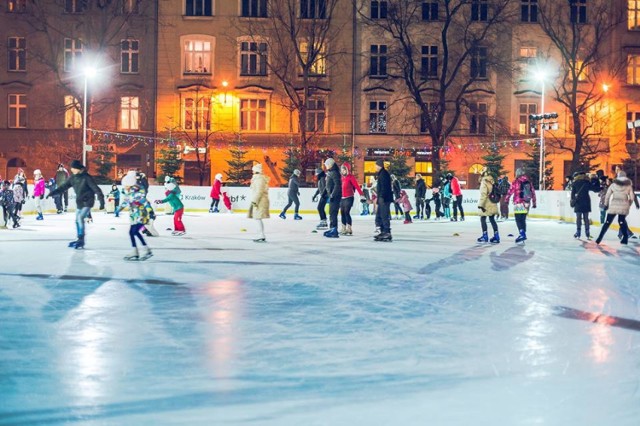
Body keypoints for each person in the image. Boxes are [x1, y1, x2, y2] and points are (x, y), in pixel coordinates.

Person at [47, 160, 105, 249]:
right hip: (80, 202)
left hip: (88, 201)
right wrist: (53, 193)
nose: (72, 169)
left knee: (80, 218)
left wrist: (101, 201)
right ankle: (79, 238)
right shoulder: (73, 178)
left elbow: (96, 189)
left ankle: (81, 239)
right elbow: (63, 187)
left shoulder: (86, 177)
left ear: (78, 169)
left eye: (73, 168)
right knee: (77, 220)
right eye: (72, 168)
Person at [117, 171, 153, 261]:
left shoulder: (138, 192)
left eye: (125, 185)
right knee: (132, 232)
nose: (124, 187)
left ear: (130, 184)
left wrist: (151, 211)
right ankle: (136, 251)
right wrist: (119, 209)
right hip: (134, 215)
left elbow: (145, 202)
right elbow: (126, 202)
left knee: (134, 232)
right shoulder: (128, 193)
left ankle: (146, 250)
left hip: (141, 215)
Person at [596, 171, 635, 245]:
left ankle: (599, 237)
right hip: (624, 205)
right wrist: (628, 204)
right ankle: (625, 237)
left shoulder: (613, 185)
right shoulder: (628, 185)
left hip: (614, 205)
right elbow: (632, 197)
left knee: (607, 222)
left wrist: (606, 204)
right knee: (621, 221)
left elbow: (607, 195)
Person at [505, 168, 536, 243]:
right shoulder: (528, 182)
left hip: (519, 203)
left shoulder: (516, 182)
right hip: (527, 202)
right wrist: (534, 202)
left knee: (518, 219)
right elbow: (533, 192)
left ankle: (522, 234)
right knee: (523, 219)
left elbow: (510, 191)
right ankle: (523, 233)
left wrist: (506, 199)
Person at [570, 170, 598, 239]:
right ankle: (587, 232)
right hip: (586, 201)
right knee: (586, 218)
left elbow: (572, 194)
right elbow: (595, 189)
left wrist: (573, 200)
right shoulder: (587, 182)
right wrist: (596, 181)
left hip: (578, 202)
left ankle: (578, 231)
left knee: (578, 218)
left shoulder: (575, 183)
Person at [339, 162, 364, 235]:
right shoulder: (342, 178)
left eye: (344, 170)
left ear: (347, 170)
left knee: (346, 212)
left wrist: (361, 195)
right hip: (342, 198)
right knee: (342, 213)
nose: (343, 171)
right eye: (342, 170)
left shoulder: (351, 177)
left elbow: (356, 186)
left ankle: (349, 228)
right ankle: (343, 228)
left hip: (349, 197)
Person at [247, 163, 270, 242]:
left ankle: (261, 235)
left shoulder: (259, 179)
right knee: (257, 218)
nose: (252, 172)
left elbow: (259, 191)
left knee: (257, 218)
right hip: (259, 200)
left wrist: (255, 201)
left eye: (253, 170)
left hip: (260, 201)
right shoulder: (257, 178)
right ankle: (261, 234)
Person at [477, 169, 500, 243]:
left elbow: (484, 194)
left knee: (483, 218)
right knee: (492, 219)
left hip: (486, 203)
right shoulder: (492, 181)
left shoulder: (484, 182)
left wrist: (481, 205)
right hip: (493, 202)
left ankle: (485, 235)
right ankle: (496, 236)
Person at [374, 159, 393, 241]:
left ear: (379, 165)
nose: (375, 167)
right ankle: (383, 231)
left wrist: (382, 197)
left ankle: (387, 232)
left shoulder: (384, 174)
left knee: (384, 216)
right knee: (379, 215)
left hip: (384, 199)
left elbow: (385, 187)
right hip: (382, 198)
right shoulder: (381, 174)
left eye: (376, 165)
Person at [324, 158, 342, 238]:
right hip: (333, 196)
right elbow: (328, 185)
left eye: (327, 164)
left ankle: (334, 230)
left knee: (333, 213)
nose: (326, 166)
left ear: (330, 164)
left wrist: (332, 195)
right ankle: (332, 228)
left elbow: (337, 185)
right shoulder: (331, 172)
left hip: (335, 196)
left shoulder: (334, 172)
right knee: (331, 213)